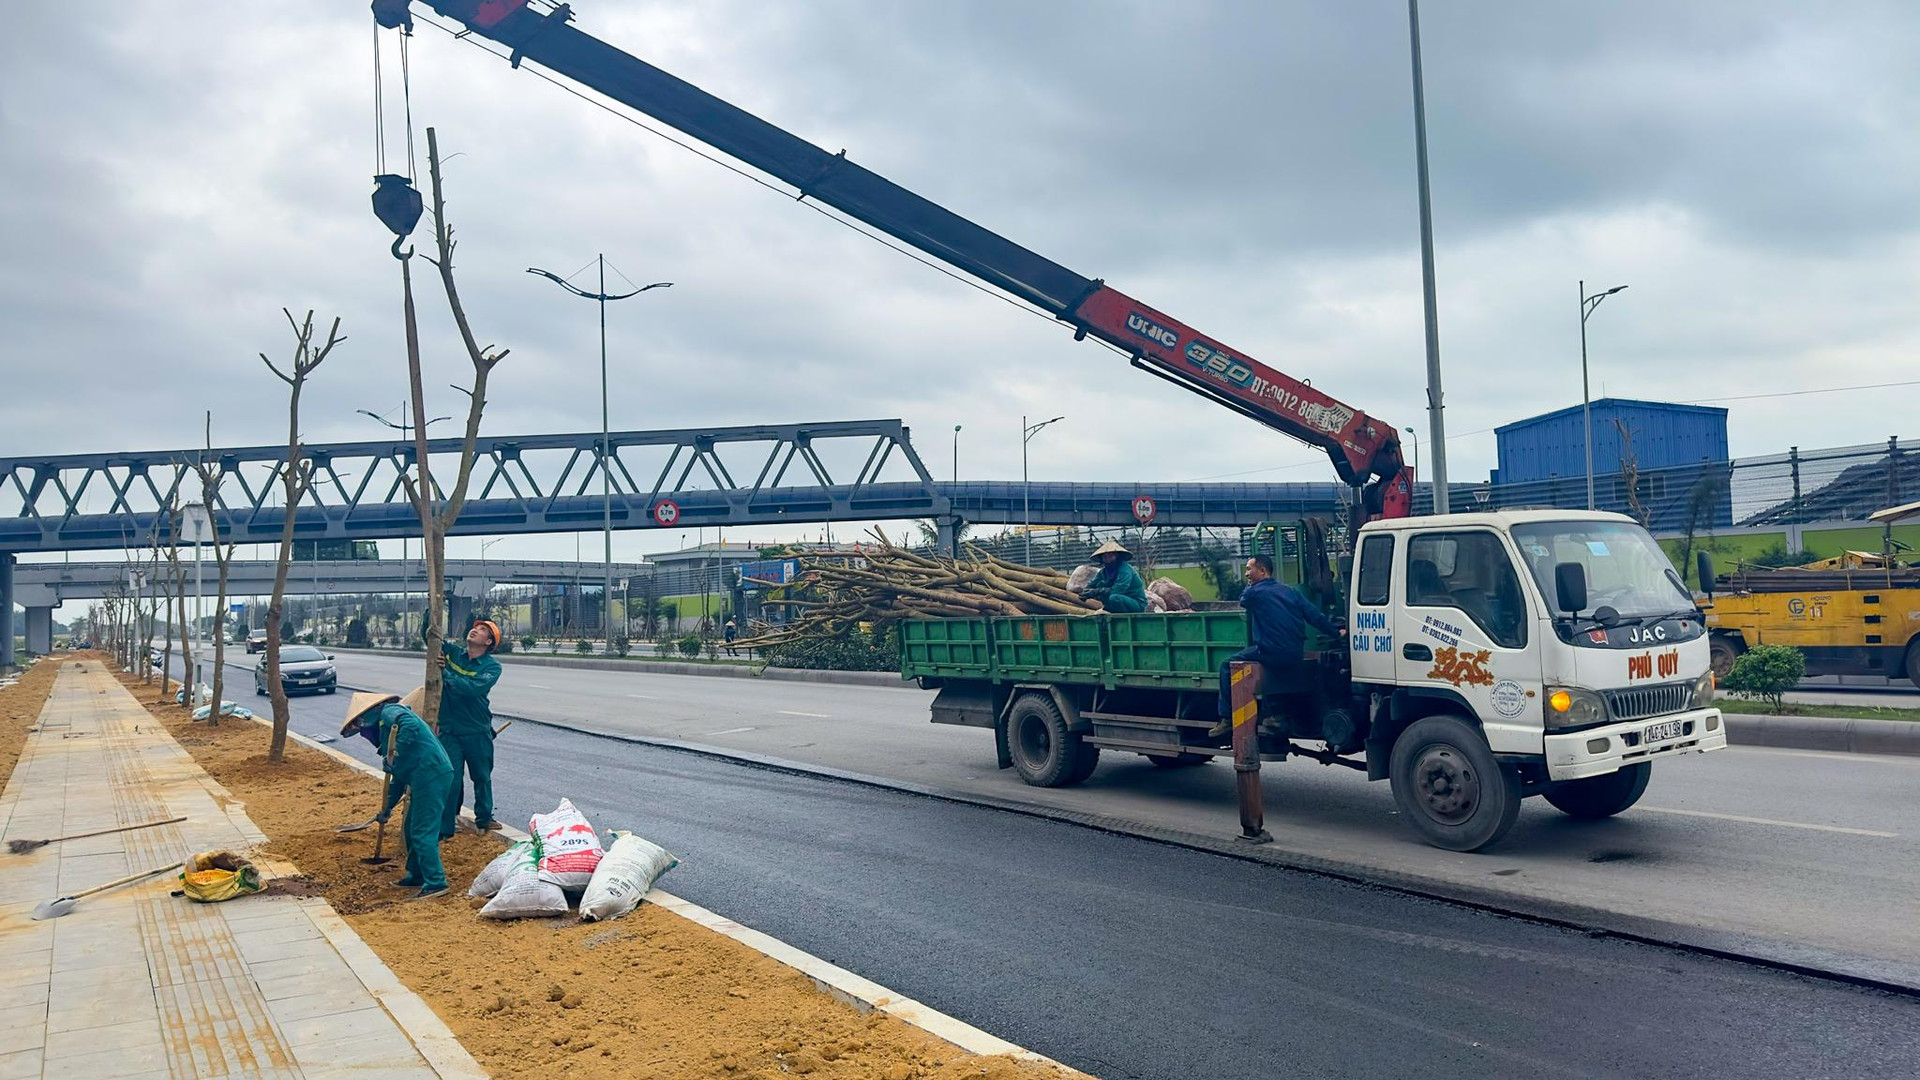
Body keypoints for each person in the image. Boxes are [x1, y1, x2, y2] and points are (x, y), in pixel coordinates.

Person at [1210, 554, 1342, 737]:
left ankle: (1226, 719)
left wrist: (1250, 586)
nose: (1246, 573)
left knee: (1227, 665)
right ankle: (1276, 714)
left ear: (1262, 571)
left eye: (1249, 569)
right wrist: (1337, 632)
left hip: (1270, 651)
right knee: (1273, 667)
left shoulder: (1254, 592)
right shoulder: (1290, 591)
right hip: (1295, 653)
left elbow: (1243, 601)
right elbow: (1314, 616)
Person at [342, 691, 453, 899]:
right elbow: (398, 781)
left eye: (359, 725)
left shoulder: (389, 711)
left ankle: (436, 882)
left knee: (422, 831)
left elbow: (408, 725)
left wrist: (395, 753)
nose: (362, 731)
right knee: (412, 829)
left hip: (432, 774)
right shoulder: (387, 734)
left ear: (367, 715)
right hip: (423, 776)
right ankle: (417, 875)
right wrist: (386, 809)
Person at [436, 620, 503, 837]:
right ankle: (446, 827)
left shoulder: (492, 667)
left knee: (481, 776)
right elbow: (431, 637)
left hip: (477, 730)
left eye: (483, 630)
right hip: (450, 730)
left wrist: (447, 674)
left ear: (489, 641)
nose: (476, 630)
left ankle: (484, 817)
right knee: (451, 777)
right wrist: (431, 610)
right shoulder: (453, 653)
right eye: (476, 627)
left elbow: (472, 689)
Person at [1079, 540, 1149, 613]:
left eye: (1110, 556)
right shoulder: (1103, 572)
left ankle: (1123, 616)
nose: (1108, 559)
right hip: (1117, 602)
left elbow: (1118, 590)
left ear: (1117, 556)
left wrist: (1097, 591)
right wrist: (1085, 593)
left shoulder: (1125, 570)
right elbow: (1092, 584)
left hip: (1136, 603)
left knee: (1114, 598)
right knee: (1102, 588)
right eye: (1105, 557)